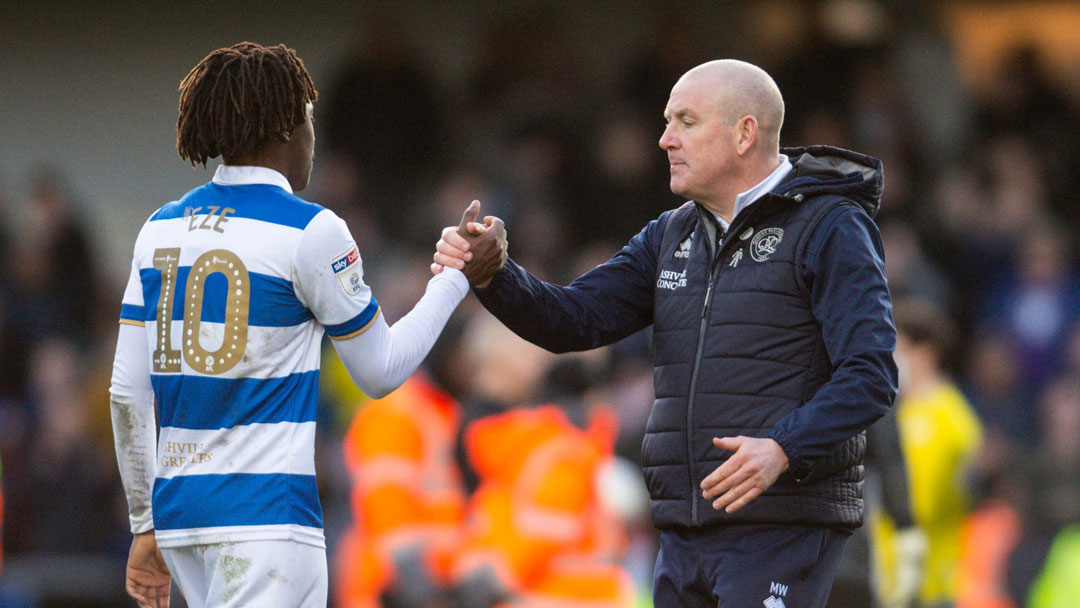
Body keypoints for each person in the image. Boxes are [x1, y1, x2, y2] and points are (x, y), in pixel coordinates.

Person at [433, 59, 897, 607]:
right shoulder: (672, 233)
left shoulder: (830, 226)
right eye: (666, 121)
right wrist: (495, 275)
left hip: (781, 522)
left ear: (745, 133)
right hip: (683, 527)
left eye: (685, 121)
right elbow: (574, 320)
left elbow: (871, 374)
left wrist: (783, 448)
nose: (664, 139)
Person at [108, 42, 496, 608]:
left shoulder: (159, 229)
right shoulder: (311, 231)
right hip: (268, 526)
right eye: (310, 121)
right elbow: (381, 372)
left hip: (181, 521)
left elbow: (127, 394)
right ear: (288, 129)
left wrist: (145, 523)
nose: (315, 138)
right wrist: (457, 276)